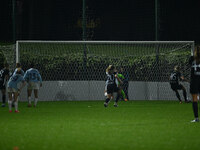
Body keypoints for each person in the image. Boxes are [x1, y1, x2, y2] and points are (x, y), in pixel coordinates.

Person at [190, 46, 200, 122]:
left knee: (194, 99)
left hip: (194, 81)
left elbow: (190, 63)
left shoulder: (192, 58)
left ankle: (196, 118)